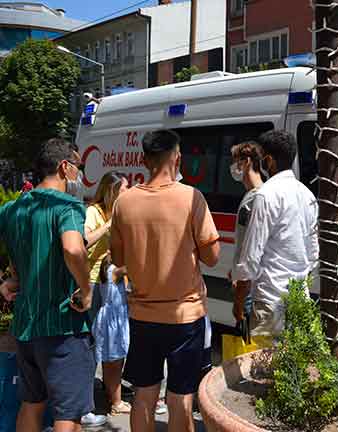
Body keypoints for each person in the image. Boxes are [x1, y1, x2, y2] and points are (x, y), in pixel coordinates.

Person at [111, 129, 220, 432]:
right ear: (177, 157)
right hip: (186, 317)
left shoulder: (124, 202)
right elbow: (212, 257)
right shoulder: (191, 198)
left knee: (143, 395)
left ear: (143, 160)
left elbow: (118, 261)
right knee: (180, 398)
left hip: (142, 316)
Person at [0, 138, 94, 432]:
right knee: (68, 413)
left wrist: (9, 279)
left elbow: (18, 256)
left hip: (26, 324)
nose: (78, 174)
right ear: (64, 167)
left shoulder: (12, 210)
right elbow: (73, 250)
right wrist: (86, 289)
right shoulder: (67, 206)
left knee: (32, 403)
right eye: (77, 166)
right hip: (62, 324)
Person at [232, 130, 319, 338]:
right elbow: (313, 254)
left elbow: (251, 259)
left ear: (268, 160)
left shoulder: (265, 195)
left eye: (261, 157)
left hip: (269, 301)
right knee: (294, 368)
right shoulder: (307, 195)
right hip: (300, 302)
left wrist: (238, 303)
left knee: (265, 369)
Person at [82, 171, 128, 425]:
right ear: (112, 192)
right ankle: (83, 403)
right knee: (88, 342)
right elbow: (84, 241)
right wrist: (108, 226)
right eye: (124, 189)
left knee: (110, 341)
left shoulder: (122, 214)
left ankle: (113, 400)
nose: (128, 194)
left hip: (110, 284)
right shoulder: (94, 212)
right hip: (90, 285)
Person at [229, 141, 265, 329]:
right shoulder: (255, 195)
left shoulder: (256, 199)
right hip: (249, 285)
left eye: (236, 162)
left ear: (247, 162)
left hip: (250, 289)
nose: (234, 168)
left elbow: (252, 252)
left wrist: (239, 300)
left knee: (248, 350)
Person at [92, 252, 131, 415]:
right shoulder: (114, 271)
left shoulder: (107, 270)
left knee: (109, 362)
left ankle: (111, 396)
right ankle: (116, 402)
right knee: (115, 364)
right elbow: (133, 267)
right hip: (113, 322)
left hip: (108, 320)